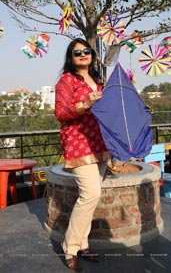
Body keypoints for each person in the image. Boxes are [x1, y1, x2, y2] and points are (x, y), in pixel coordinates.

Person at [54, 38, 111, 270]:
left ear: (92, 55)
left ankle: (83, 243)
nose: (83, 55)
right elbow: (60, 113)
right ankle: (70, 246)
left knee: (91, 197)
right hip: (78, 143)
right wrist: (85, 103)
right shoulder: (66, 81)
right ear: (71, 57)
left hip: (99, 142)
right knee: (90, 194)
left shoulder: (98, 81)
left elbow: (111, 107)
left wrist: (138, 108)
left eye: (87, 51)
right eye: (78, 53)